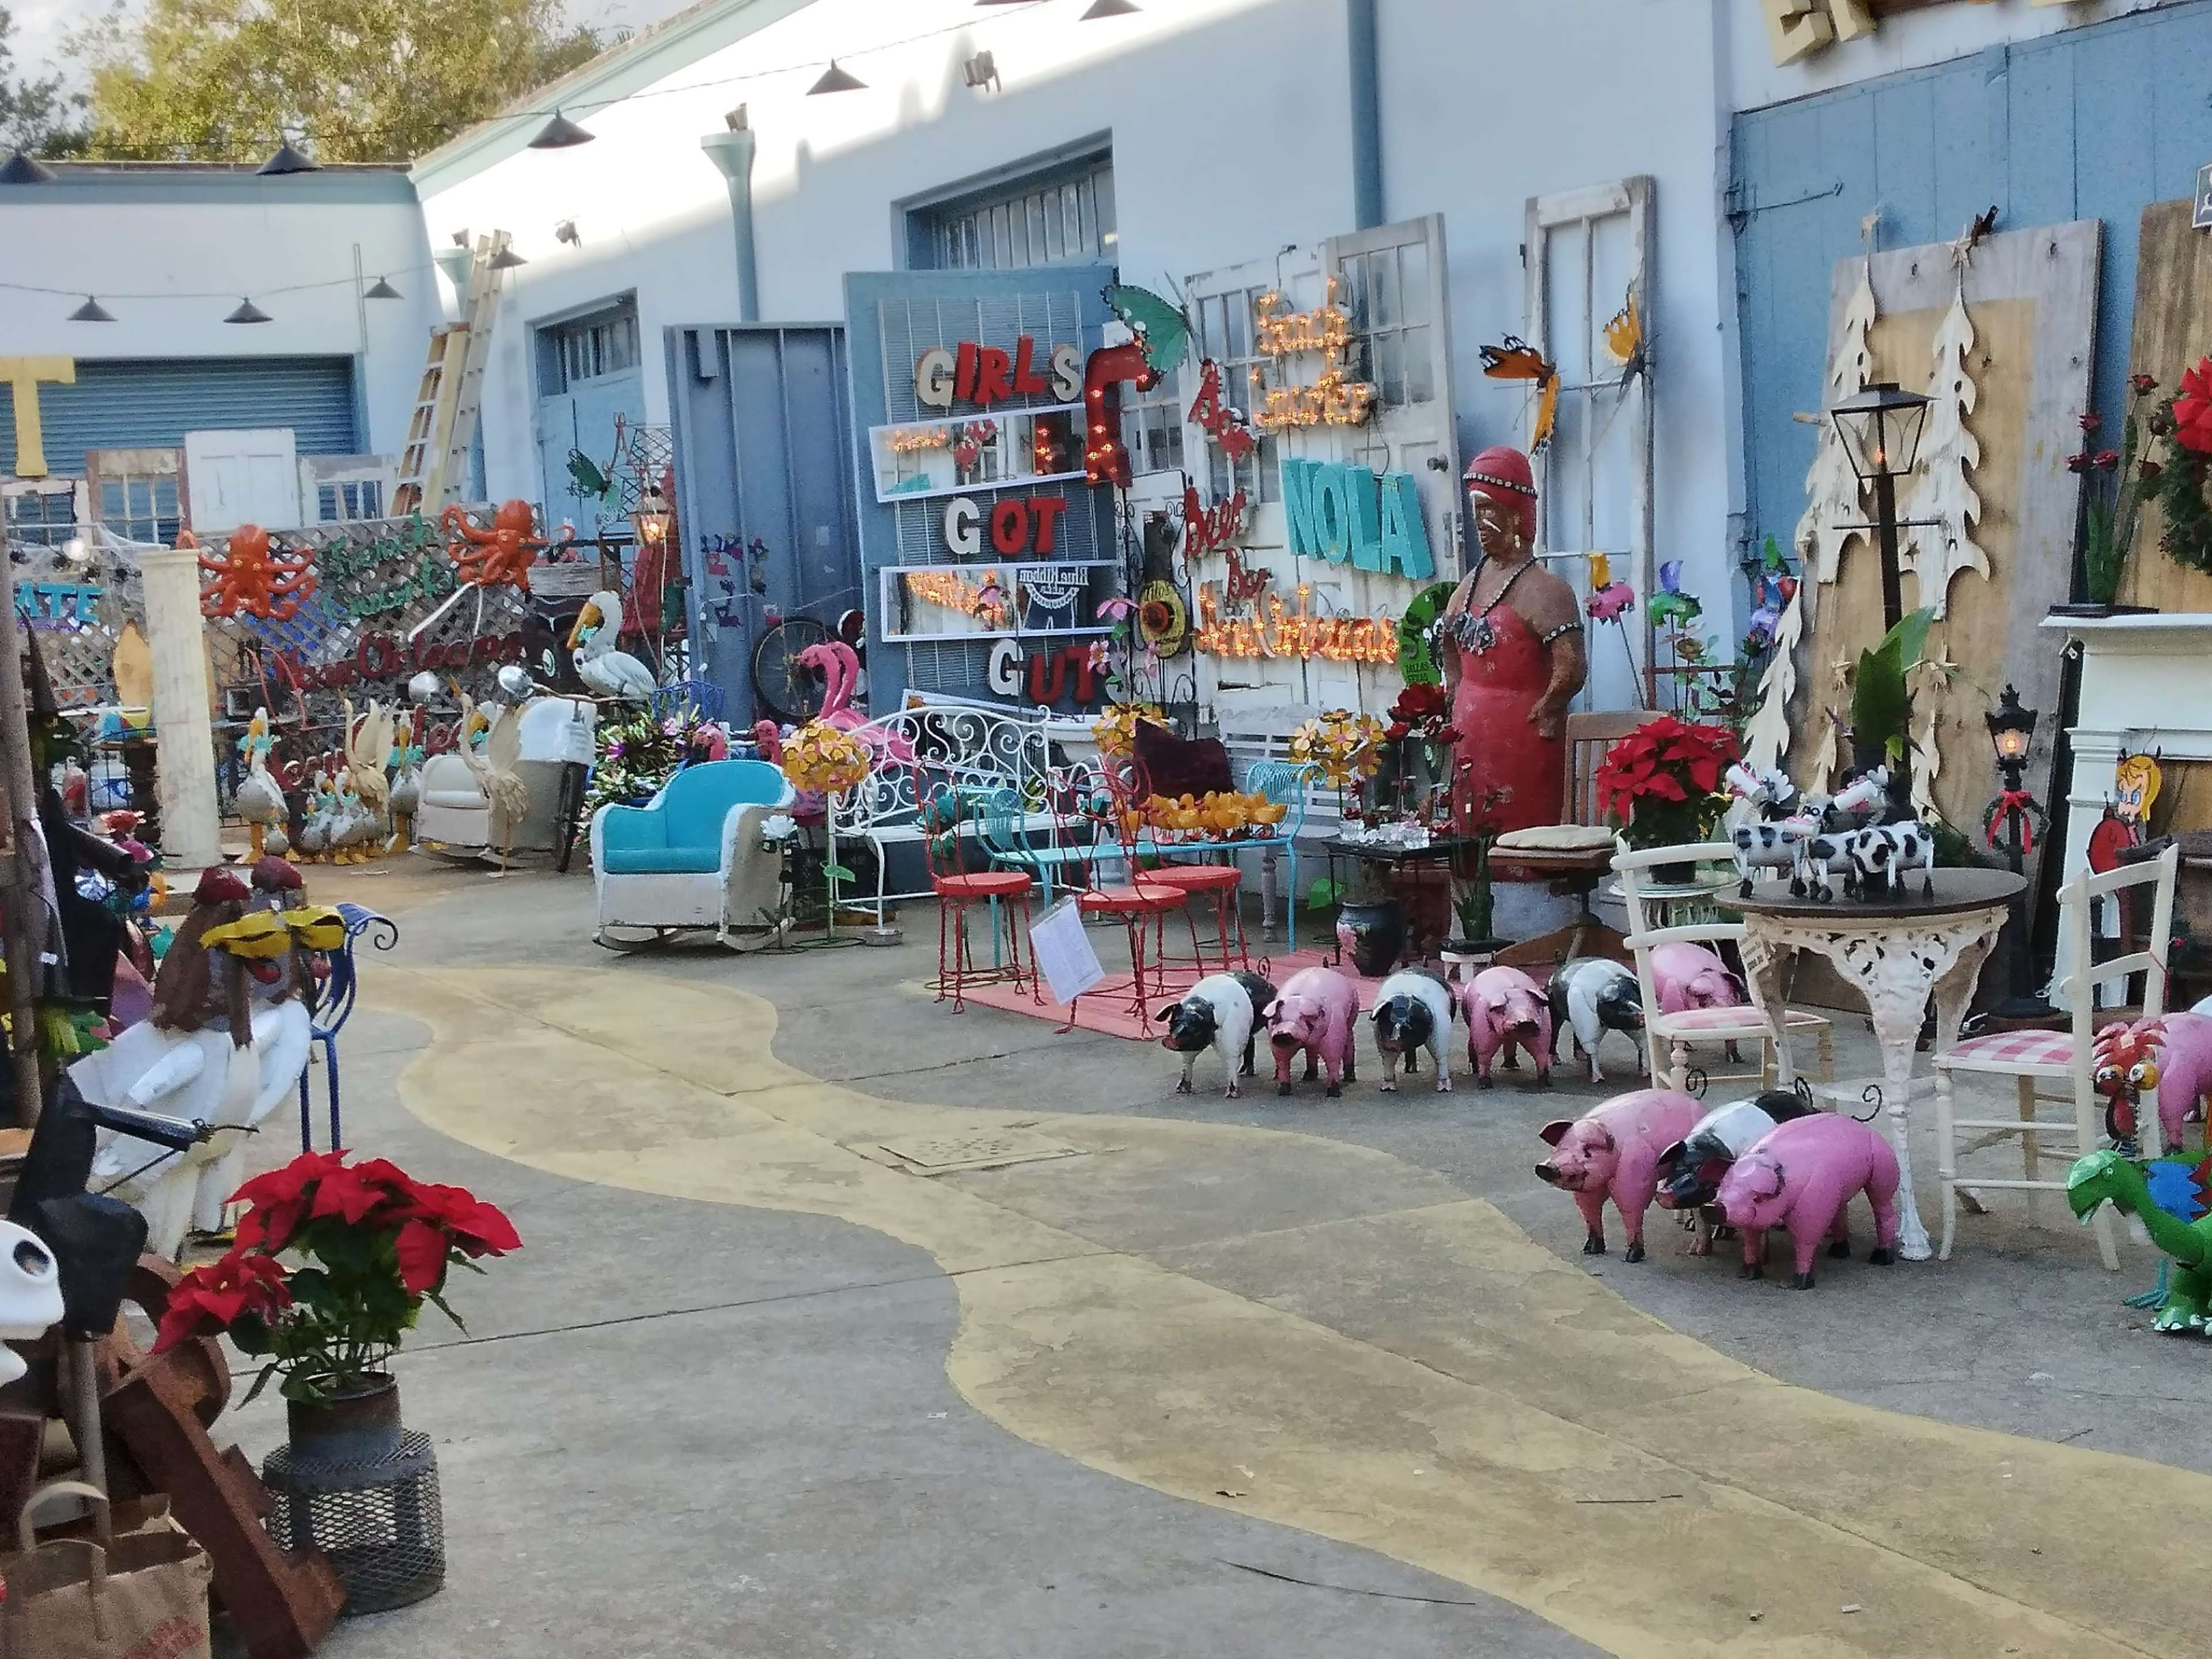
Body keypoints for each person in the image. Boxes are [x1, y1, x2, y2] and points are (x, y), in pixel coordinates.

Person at [1438, 446, 1588, 836]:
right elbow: (1449, 638)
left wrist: (1549, 707)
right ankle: (1476, 897)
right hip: (1471, 735)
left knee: (1523, 835)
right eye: (1476, 514)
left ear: (1518, 514)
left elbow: (1571, 666)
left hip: (1523, 734)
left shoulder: (1547, 591)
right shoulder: (1471, 585)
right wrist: (1455, 689)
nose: (1481, 523)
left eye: (1491, 511)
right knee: (1472, 834)